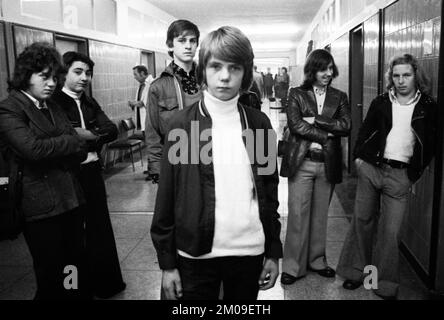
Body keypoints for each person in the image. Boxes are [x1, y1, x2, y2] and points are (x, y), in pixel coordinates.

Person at [150, 26, 282, 300]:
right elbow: (168, 196)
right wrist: (168, 263)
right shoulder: (184, 126)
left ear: (246, 73)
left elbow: (269, 192)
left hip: (248, 252)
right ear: (203, 71)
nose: (224, 77)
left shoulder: (257, 125)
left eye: (234, 68)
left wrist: (273, 250)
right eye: (216, 66)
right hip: (195, 254)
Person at [336, 54, 438, 300]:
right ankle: (357, 274)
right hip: (371, 168)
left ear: (416, 76)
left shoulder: (428, 106)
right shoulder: (381, 102)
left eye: (406, 75)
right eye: (396, 75)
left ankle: (383, 283)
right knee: (362, 221)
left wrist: (414, 173)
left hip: (400, 175)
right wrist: (359, 160)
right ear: (390, 77)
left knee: (389, 233)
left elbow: (432, 143)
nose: (401, 80)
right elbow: (364, 131)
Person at [0, 42, 88, 299]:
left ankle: (72, 296)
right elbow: (33, 150)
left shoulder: (52, 105)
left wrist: (67, 145)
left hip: (70, 198)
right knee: (50, 270)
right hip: (41, 207)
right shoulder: (9, 108)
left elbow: (80, 151)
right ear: (27, 75)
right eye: (44, 76)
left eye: (55, 78)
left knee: (74, 263)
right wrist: (70, 142)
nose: (51, 83)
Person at [51, 51, 126, 299]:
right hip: (68, 175)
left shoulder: (89, 102)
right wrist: (90, 136)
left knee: (99, 227)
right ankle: (74, 288)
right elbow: (66, 138)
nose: (85, 78)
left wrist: (90, 134)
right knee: (72, 234)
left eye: (88, 73)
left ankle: (105, 284)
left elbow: (111, 130)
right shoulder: (55, 103)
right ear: (64, 72)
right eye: (78, 72)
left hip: (92, 172)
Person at [280, 49, 351, 285]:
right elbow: (296, 125)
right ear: (312, 70)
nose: (328, 73)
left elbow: (346, 125)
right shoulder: (296, 94)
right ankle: (293, 266)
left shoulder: (340, 97)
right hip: (302, 162)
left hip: (327, 164)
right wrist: (327, 133)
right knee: (298, 215)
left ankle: (317, 261)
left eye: (331, 69)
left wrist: (316, 120)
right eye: (323, 69)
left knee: (321, 216)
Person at [145, 19, 202, 183]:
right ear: (170, 45)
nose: (188, 46)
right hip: (175, 161)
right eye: (182, 40)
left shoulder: (208, 81)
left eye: (192, 41)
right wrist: (157, 169)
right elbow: (152, 131)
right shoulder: (159, 87)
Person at [129, 65, 154, 133]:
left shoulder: (152, 84)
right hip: (143, 122)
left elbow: (145, 103)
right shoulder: (142, 85)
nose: (134, 77)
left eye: (135, 74)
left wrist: (134, 103)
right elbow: (140, 101)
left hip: (150, 122)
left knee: (151, 142)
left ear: (142, 73)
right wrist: (134, 104)